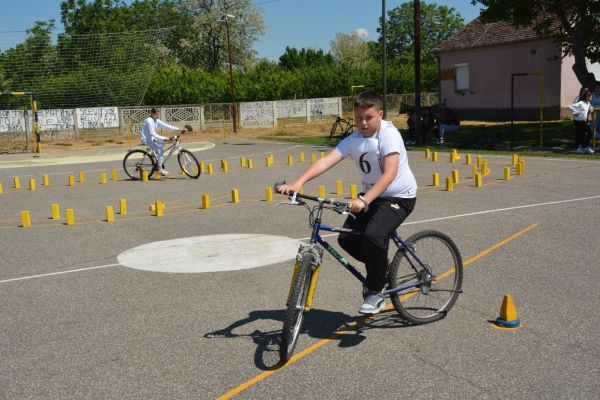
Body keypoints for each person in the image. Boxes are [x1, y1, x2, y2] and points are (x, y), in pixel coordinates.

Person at [278, 92, 417, 315]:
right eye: (358, 117)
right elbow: (326, 160)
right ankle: (381, 271)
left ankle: (375, 291)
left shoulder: (389, 135)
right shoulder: (354, 140)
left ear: (380, 115)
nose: (363, 122)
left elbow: (390, 173)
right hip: (372, 197)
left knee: (372, 236)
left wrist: (364, 199)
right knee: (346, 239)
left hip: (399, 197)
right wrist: (298, 183)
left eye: (369, 117)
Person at [140, 107, 186, 176]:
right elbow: (153, 133)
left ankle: (154, 152)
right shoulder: (149, 121)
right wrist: (164, 138)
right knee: (160, 149)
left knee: (167, 142)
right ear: (152, 113)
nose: (157, 116)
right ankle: (159, 169)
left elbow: (167, 126)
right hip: (146, 139)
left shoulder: (156, 120)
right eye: (156, 114)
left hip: (152, 138)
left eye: (158, 114)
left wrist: (179, 130)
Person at [569, 89, 594, 154]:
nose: (592, 98)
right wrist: (576, 112)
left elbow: (590, 107)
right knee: (580, 134)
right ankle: (578, 148)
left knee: (589, 133)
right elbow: (571, 107)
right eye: (591, 96)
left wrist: (591, 108)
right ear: (587, 97)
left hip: (584, 121)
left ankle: (585, 147)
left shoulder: (588, 103)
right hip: (578, 121)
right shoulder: (581, 103)